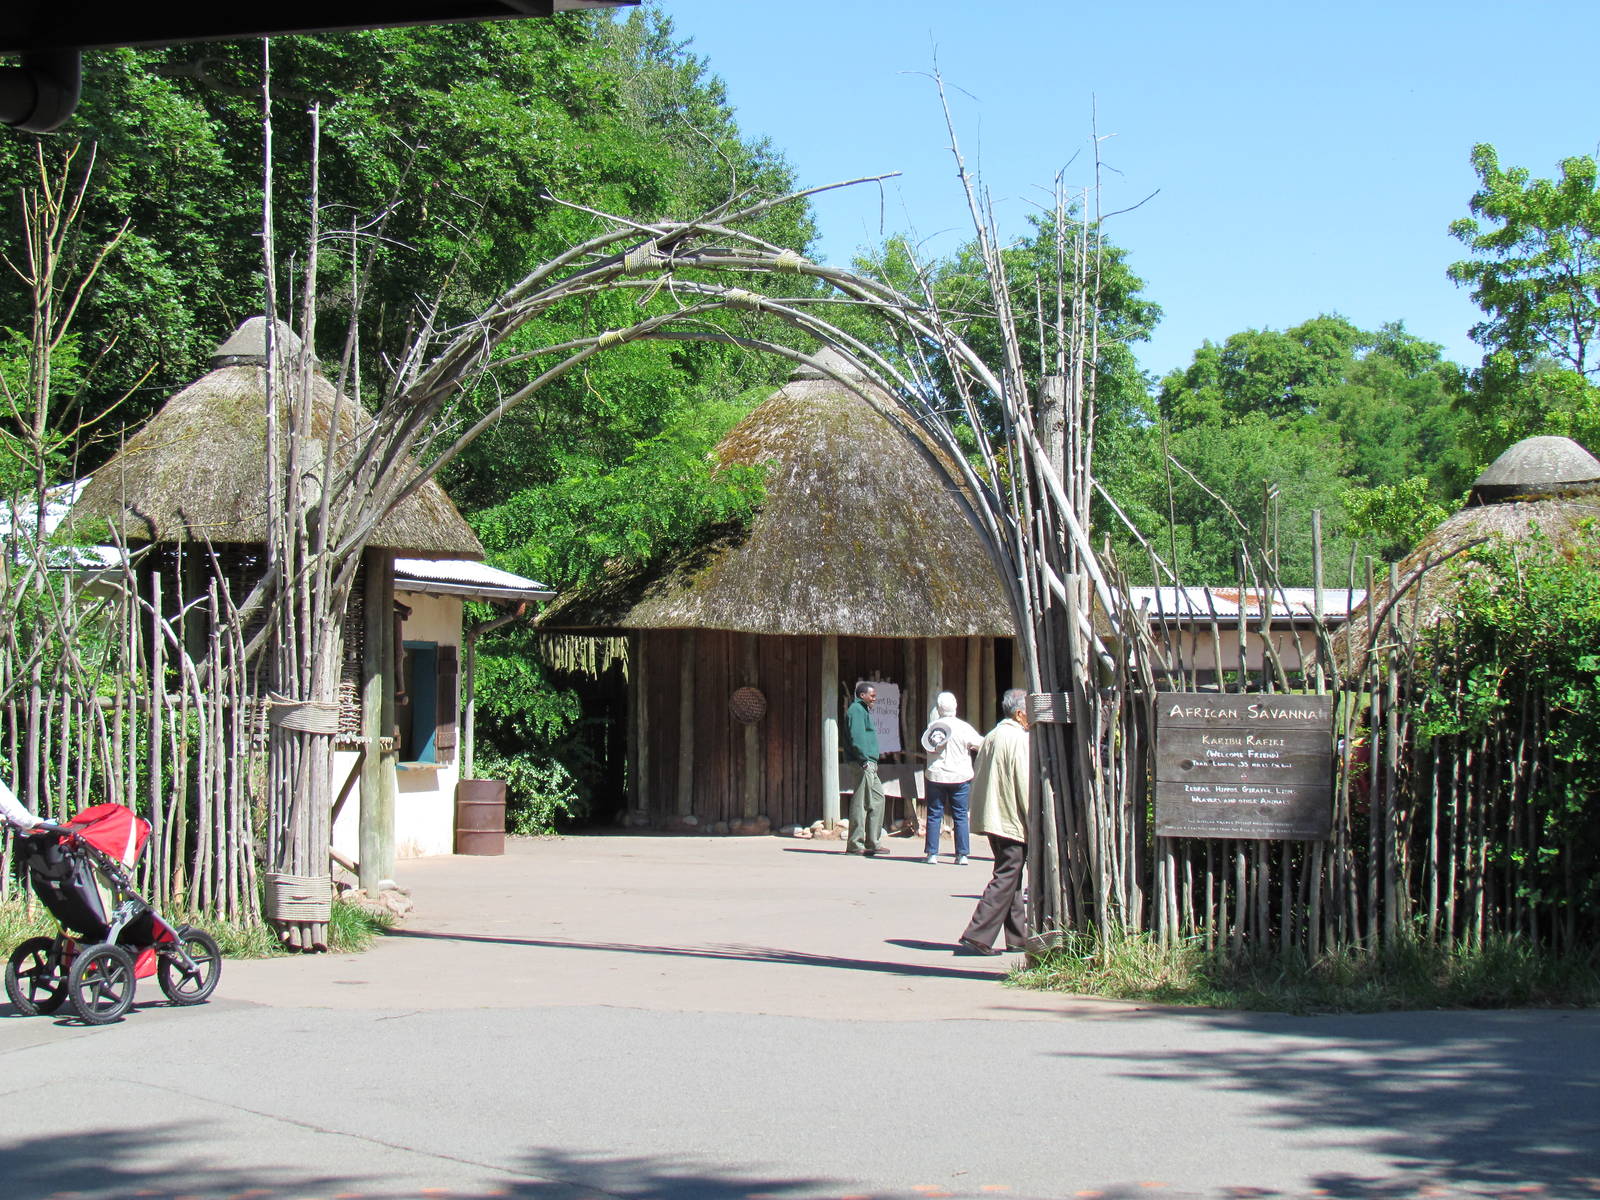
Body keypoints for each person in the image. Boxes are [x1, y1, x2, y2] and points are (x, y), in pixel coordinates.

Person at [956, 688, 1030, 955]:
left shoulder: (993, 735)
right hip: (1010, 819)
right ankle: (977, 934)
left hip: (993, 817)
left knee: (1011, 875)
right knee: (1007, 875)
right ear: (1020, 713)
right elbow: (1024, 783)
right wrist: (1033, 820)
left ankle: (1018, 937)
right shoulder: (1017, 739)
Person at [919, 691, 983, 865]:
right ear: (955, 705)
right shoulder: (963, 727)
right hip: (959, 776)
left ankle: (932, 853)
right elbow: (980, 744)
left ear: (939, 707)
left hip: (936, 775)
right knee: (961, 815)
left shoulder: (932, 727)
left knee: (934, 814)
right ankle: (962, 854)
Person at [844, 681, 887, 856]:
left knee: (878, 799)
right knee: (861, 802)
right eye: (872, 695)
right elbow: (857, 737)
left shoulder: (864, 711)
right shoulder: (856, 710)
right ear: (862, 695)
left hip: (870, 762)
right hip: (862, 762)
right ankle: (855, 843)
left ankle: (873, 841)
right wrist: (863, 759)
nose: (874, 698)